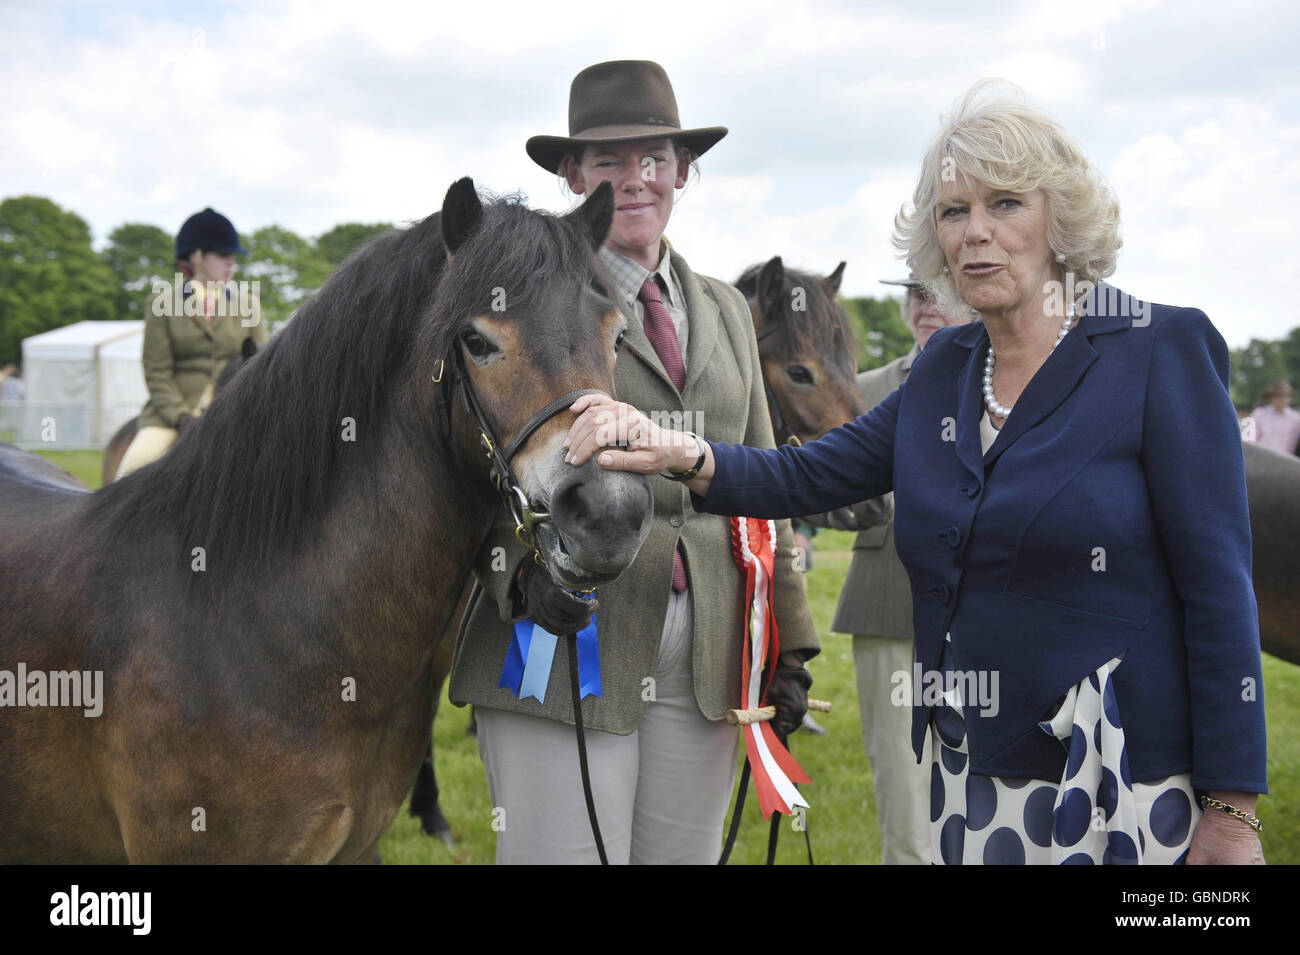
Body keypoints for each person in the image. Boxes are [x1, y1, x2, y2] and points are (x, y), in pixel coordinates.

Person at [566, 82, 1267, 865]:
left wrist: (1231, 809)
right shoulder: (944, 367)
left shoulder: (1157, 349)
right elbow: (810, 478)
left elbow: (1219, 587)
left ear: (1059, 218)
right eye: (953, 211)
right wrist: (682, 451)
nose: (977, 234)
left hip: (1127, 775)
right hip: (972, 768)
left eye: (1005, 204)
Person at [448, 60, 818, 865]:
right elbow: (460, 464)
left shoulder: (723, 306)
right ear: (573, 176)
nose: (635, 179)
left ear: (684, 171)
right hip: (565, 640)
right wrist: (518, 577)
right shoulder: (516, 295)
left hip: (708, 653)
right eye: (609, 162)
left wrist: (791, 639)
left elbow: (764, 476)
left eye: (654, 158)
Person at [821, 276, 972, 864]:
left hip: (991, 612)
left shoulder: (1013, 382)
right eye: (916, 294)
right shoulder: (861, 390)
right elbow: (815, 492)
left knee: (990, 779)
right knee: (905, 783)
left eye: (940, 292)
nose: (925, 305)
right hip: (888, 606)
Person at [116, 207, 265, 479]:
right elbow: (157, 370)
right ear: (196, 256)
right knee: (131, 470)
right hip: (172, 419)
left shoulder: (248, 304)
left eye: (233, 256)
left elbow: (263, 365)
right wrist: (181, 417)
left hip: (234, 415)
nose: (231, 262)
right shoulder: (163, 303)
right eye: (222, 255)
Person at [1251, 379, 1300, 455]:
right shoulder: (1259, 414)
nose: (1282, 399)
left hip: (1286, 462)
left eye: (1285, 395)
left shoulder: (1296, 419)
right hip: (1261, 458)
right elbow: (1251, 439)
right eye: (1278, 396)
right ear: (1270, 398)